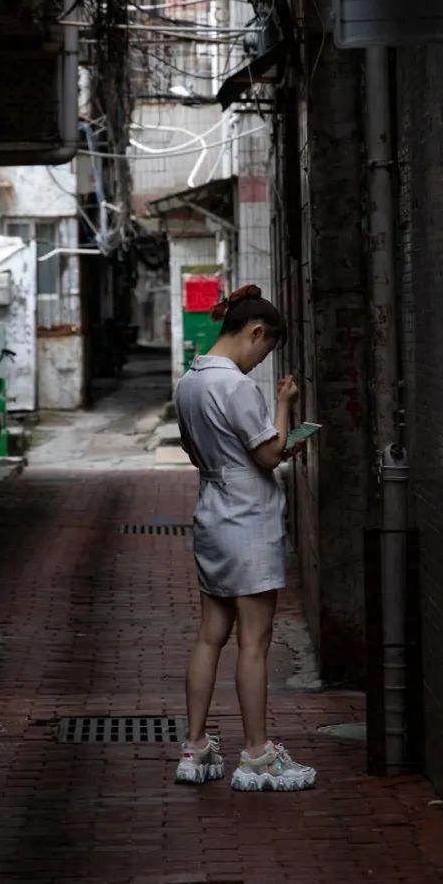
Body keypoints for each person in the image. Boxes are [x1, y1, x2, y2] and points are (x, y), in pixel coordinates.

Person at [172, 284, 316, 792]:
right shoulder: (235, 387)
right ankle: (256, 754)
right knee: (254, 641)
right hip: (247, 517)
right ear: (255, 333)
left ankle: (194, 746)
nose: (262, 360)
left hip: (211, 512)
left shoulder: (188, 382)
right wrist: (284, 405)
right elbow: (269, 455)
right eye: (267, 349)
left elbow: (198, 452)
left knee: (211, 634)